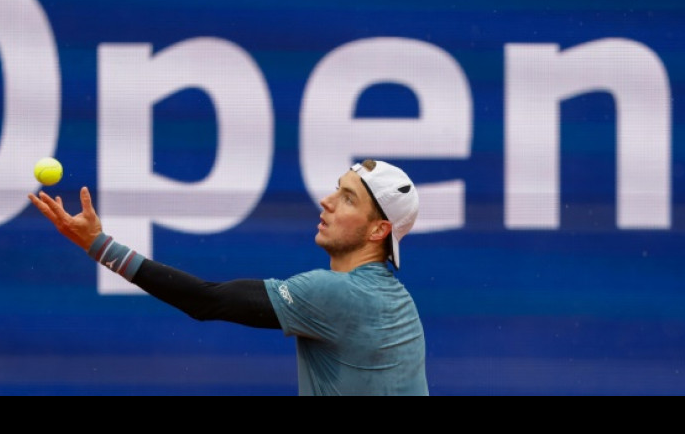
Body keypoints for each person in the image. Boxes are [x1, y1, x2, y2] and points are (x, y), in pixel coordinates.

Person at [28, 159, 428, 396]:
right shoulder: (396, 301)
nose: (327, 201)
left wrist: (99, 245)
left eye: (348, 199)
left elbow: (206, 301)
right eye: (337, 190)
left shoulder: (337, 294)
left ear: (378, 230)